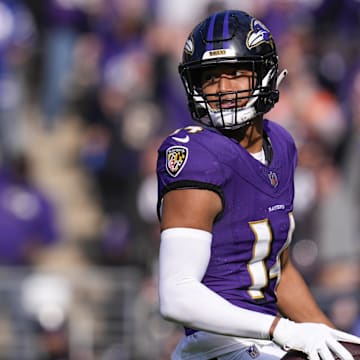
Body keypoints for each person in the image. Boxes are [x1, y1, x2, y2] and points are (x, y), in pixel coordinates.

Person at [156, 9, 360, 360]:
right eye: (210, 77)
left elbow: (276, 267)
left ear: (264, 75)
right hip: (215, 345)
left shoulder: (281, 144)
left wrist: (329, 337)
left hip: (268, 340)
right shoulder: (196, 155)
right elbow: (177, 295)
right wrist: (281, 329)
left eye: (236, 74)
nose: (223, 88)